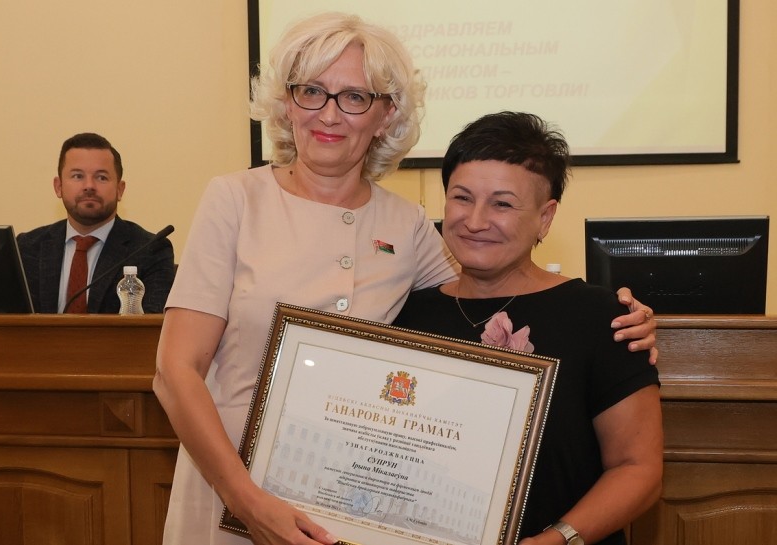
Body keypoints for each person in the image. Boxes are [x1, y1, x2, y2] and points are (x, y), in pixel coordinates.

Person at [152, 12, 657, 545]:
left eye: (354, 96)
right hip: (230, 487)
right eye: (311, 91)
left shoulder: (408, 224)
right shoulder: (235, 199)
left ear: (386, 113)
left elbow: (488, 294)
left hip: (353, 504)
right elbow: (175, 370)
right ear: (286, 102)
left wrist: (618, 316)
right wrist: (246, 500)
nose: (329, 113)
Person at [393, 111, 663, 545]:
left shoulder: (601, 317)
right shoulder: (407, 314)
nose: (475, 220)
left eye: (502, 204)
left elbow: (638, 469)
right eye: (461, 198)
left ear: (545, 217)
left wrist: (559, 539)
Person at [17, 132, 175, 314]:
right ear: (58, 187)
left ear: (120, 189)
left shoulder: (151, 250)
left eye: (101, 177)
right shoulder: (26, 248)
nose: (89, 186)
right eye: (77, 176)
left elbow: (151, 325)